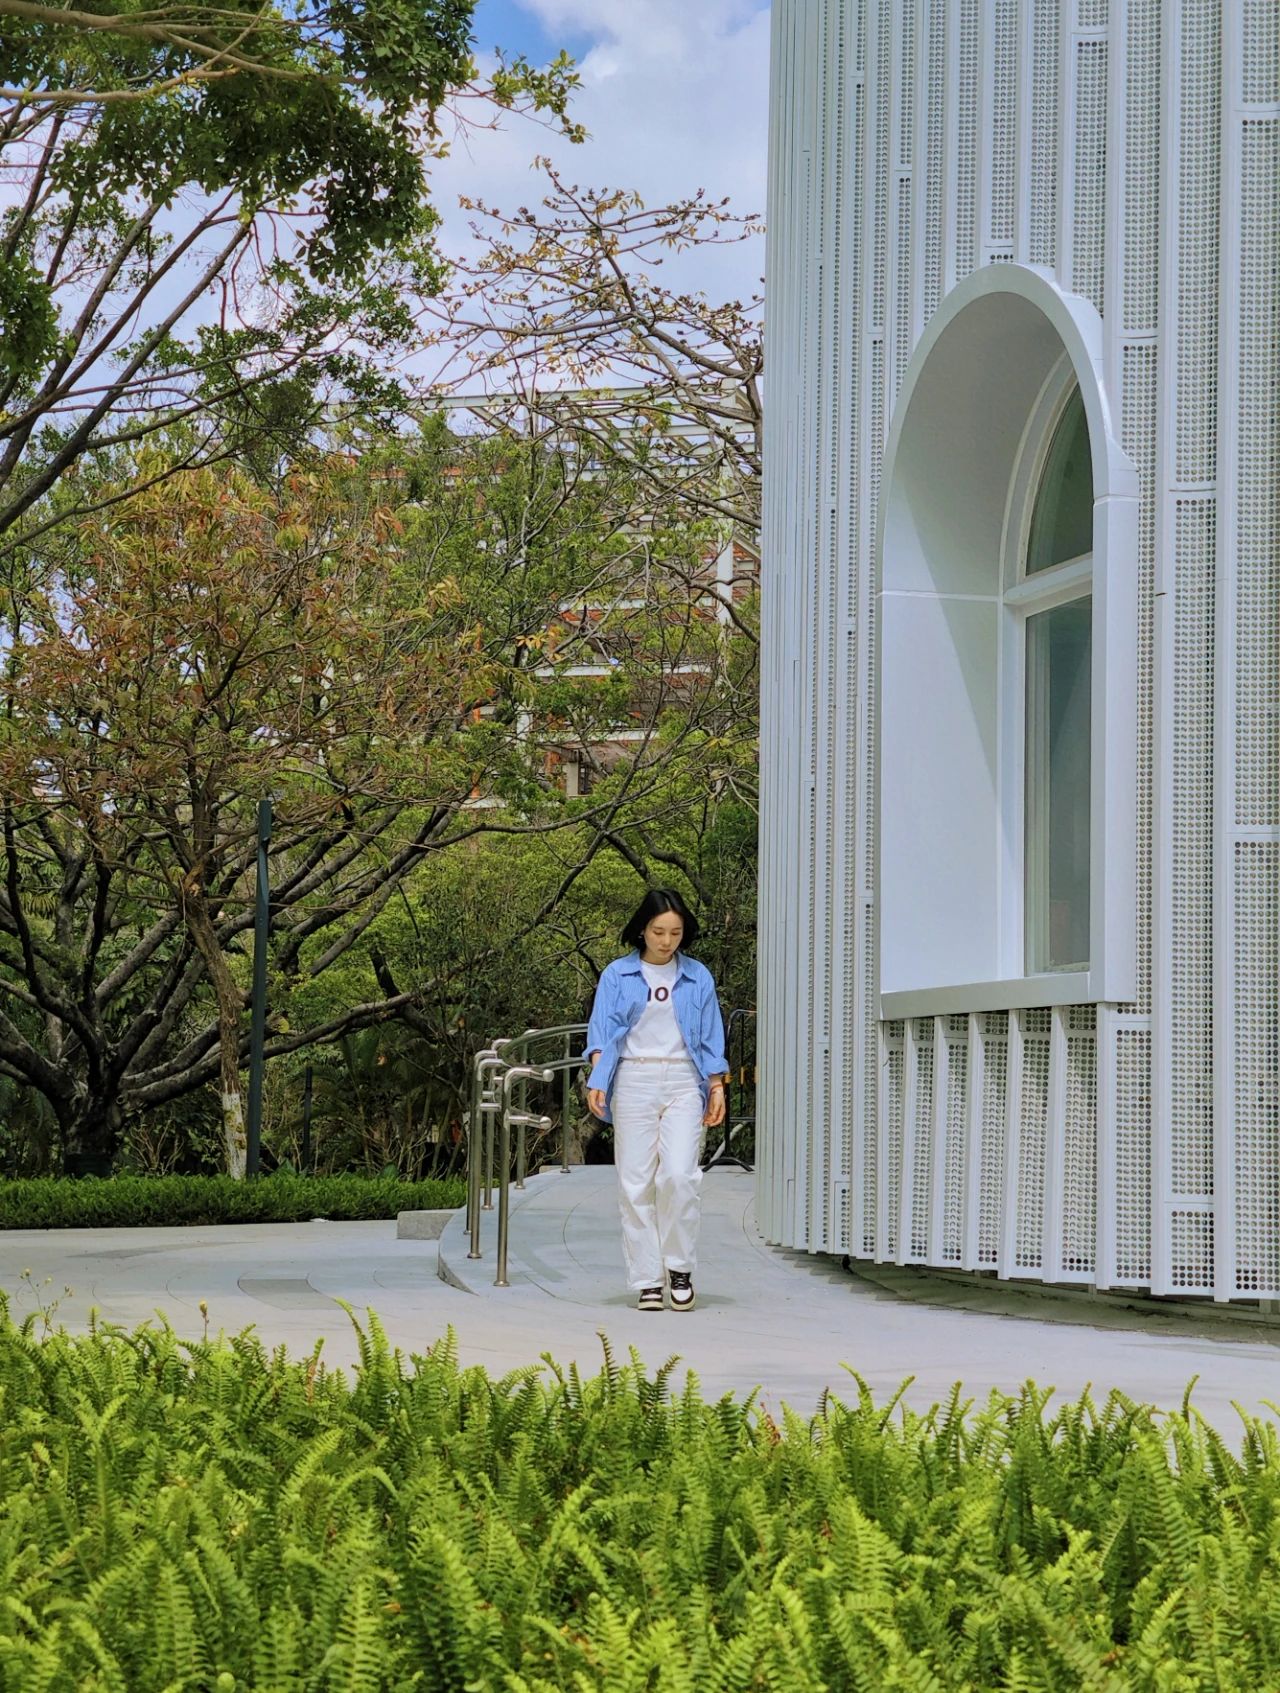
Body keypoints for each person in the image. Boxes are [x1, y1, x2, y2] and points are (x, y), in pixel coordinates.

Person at [584, 889, 729, 1312]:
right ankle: (648, 1279)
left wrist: (716, 1085)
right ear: (642, 930)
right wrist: (599, 1076)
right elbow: (603, 1032)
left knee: (680, 1177)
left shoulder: (698, 976)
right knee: (635, 1183)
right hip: (634, 1077)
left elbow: (711, 1034)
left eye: (675, 933)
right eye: (658, 931)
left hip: (685, 1079)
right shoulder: (617, 975)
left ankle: (679, 1267)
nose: (666, 941)